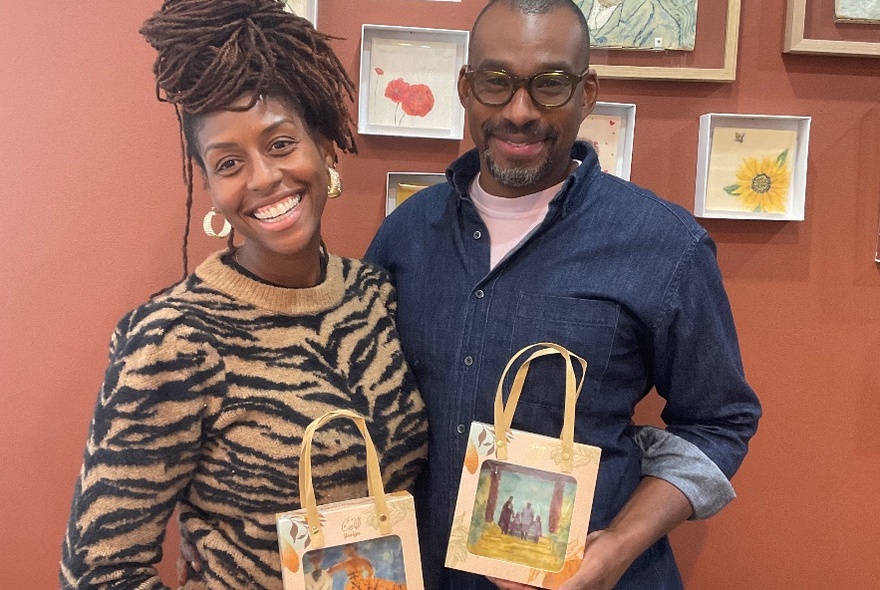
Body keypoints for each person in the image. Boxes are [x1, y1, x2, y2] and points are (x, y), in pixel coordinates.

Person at [365, 1, 761, 589]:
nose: (519, 112)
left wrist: (619, 547)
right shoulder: (406, 232)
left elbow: (719, 423)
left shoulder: (663, 245)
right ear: (465, 89)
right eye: (496, 83)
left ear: (587, 92)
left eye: (549, 85)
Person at [59, 1, 427, 588]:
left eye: (280, 144)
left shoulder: (375, 296)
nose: (261, 178)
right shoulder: (173, 338)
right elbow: (99, 571)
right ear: (209, 187)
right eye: (229, 162)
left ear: (326, 146)